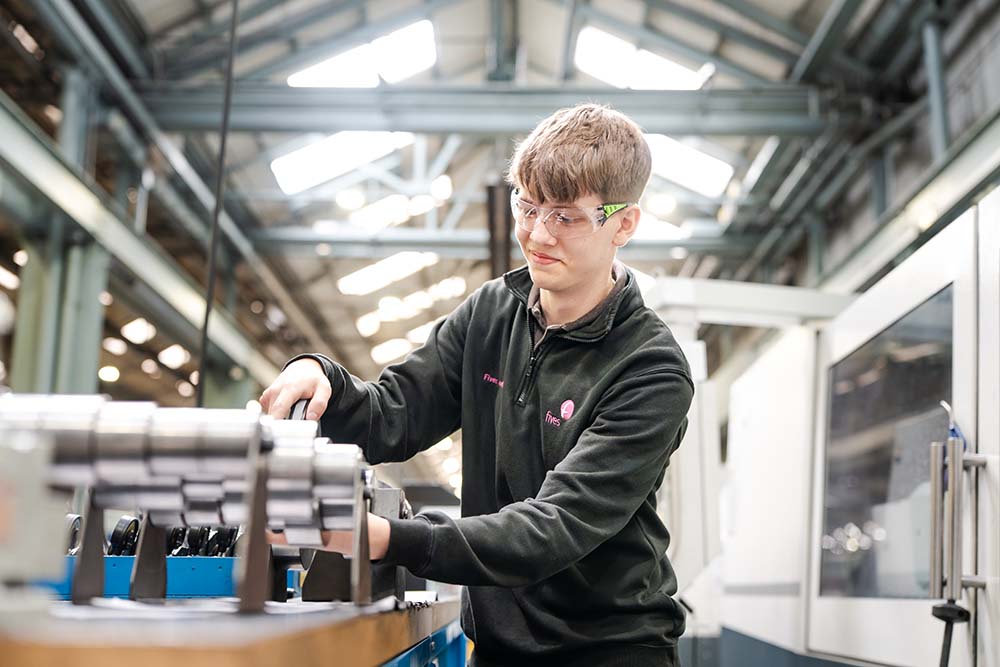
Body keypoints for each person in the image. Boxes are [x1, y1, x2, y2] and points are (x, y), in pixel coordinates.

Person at [260, 103, 694, 666]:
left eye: (565, 217)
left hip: (609, 651)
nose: (537, 234)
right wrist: (324, 380)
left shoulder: (650, 368)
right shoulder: (491, 313)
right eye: (527, 205)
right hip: (495, 648)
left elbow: (555, 526)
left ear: (625, 224)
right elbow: (394, 415)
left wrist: (393, 539)